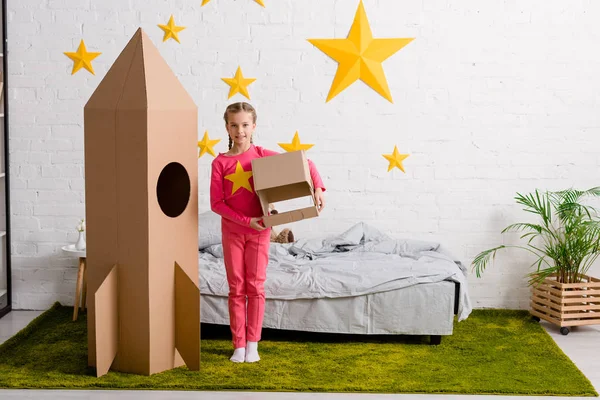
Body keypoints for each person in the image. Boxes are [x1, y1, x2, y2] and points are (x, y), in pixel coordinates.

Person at [210, 102, 326, 363]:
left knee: (256, 286)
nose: (240, 130)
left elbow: (305, 163)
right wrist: (246, 221)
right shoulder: (220, 163)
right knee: (236, 288)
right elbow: (217, 204)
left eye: (245, 124)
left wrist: (318, 188)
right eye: (234, 125)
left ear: (254, 126)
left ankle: (253, 343)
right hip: (233, 233)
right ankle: (238, 344)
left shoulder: (262, 155)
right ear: (227, 128)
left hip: (260, 233)